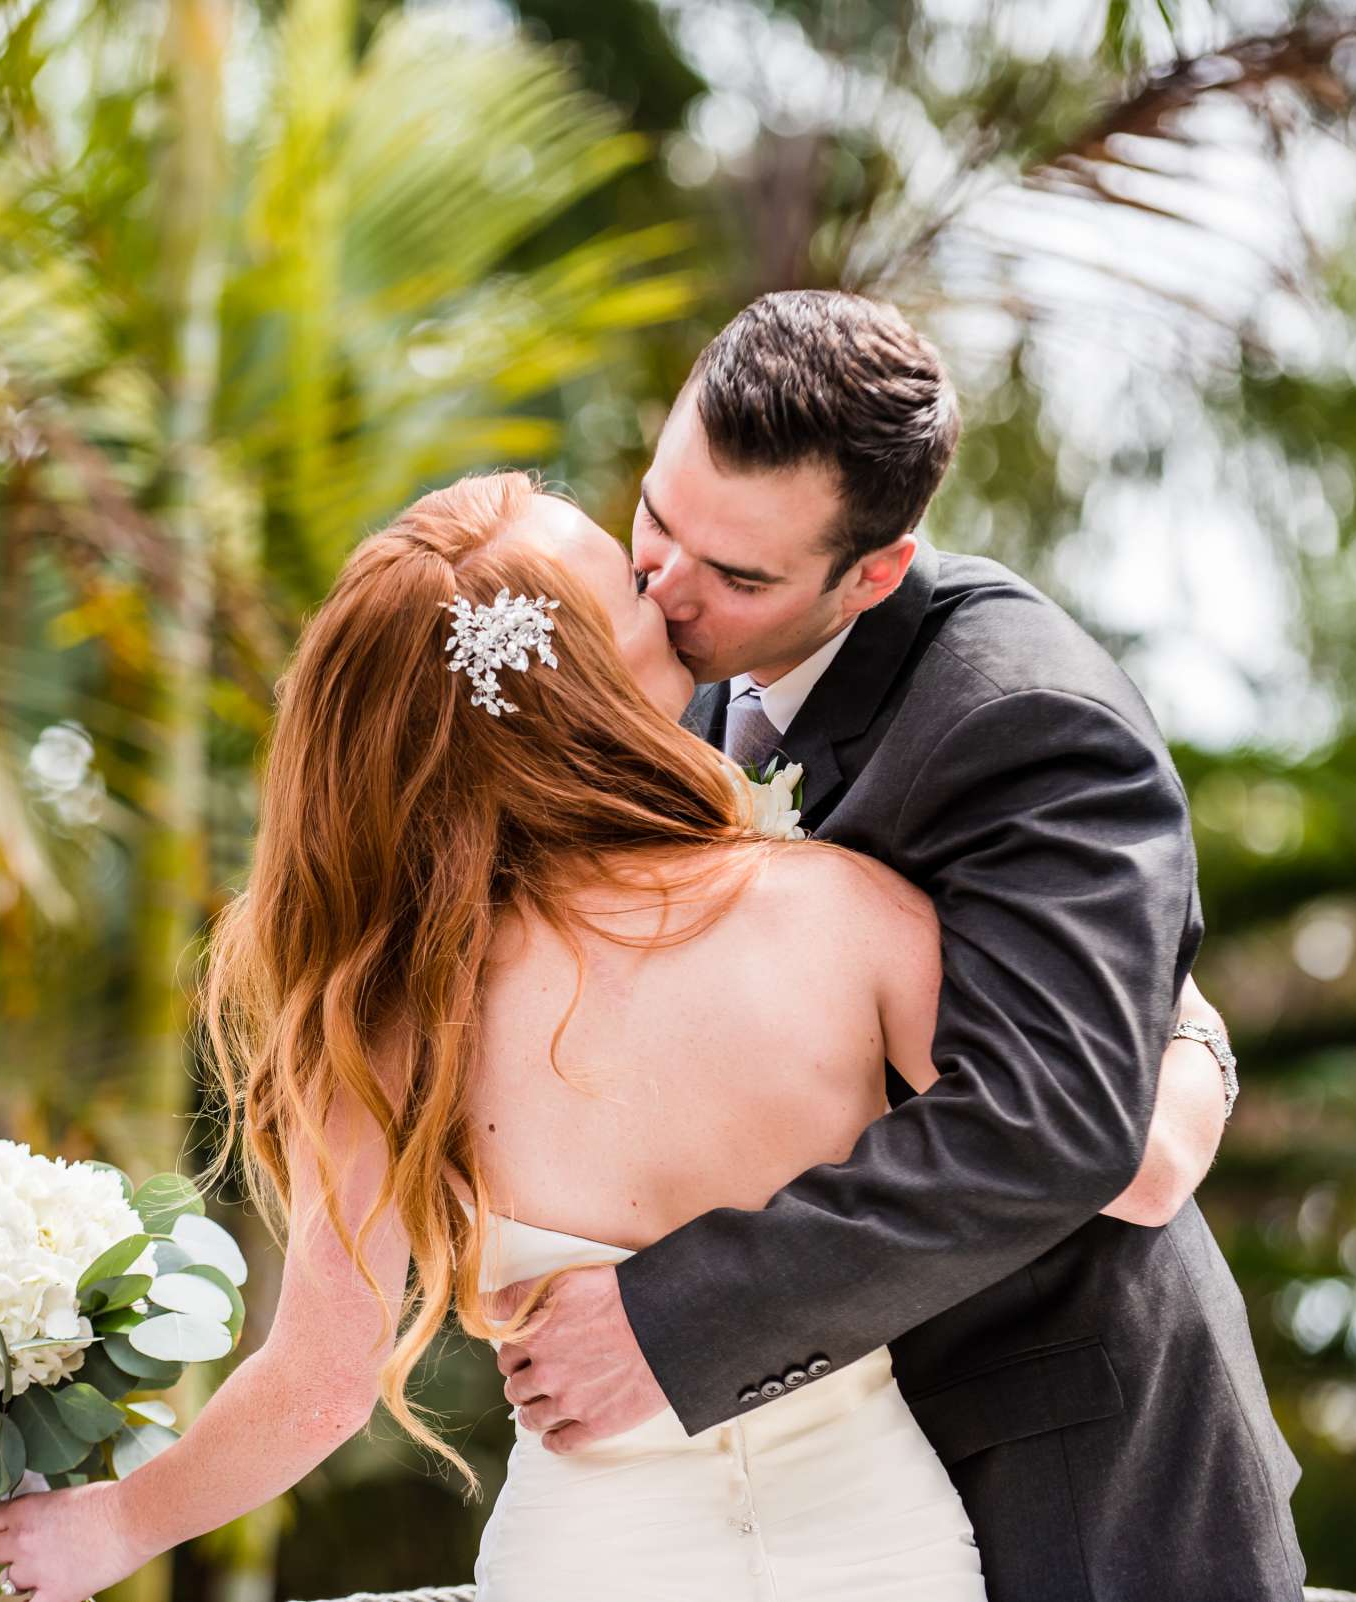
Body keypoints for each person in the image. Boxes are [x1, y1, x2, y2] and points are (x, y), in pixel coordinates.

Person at [0, 468, 1234, 1602]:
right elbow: (1107, 1157)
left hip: (591, 1563)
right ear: (582, 682)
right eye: (637, 583)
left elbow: (316, 1384)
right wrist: (1181, 1030)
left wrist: (111, 1527)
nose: (673, 591)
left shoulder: (385, 1011)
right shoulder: (848, 913)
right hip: (882, 1551)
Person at [489, 290, 1305, 1600]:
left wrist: (671, 1320)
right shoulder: (675, 662)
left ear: (873, 572)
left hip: (1066, 1472)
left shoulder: (1026, 715)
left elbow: (1058, 1125)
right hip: (800, 1485)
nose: (660, 586)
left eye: (740, 573)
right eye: (655, 511)